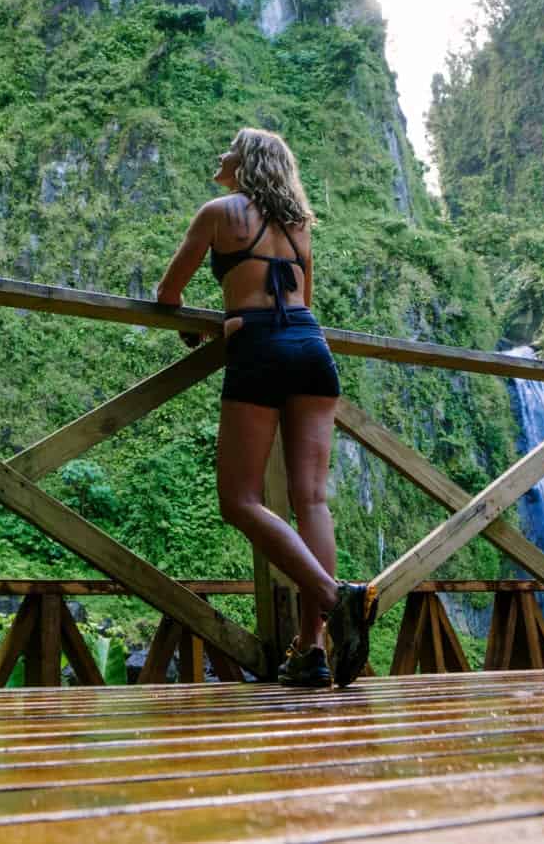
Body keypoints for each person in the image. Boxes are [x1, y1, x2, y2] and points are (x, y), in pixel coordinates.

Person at [155, 127, 377, 687]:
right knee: (312, 500)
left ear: (247, 160)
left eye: (228, 146)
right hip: (312, 349)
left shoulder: (218, 213)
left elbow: (167, 295)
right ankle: (312, 648)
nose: (220, 152)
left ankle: (334, 598)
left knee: (239, 500)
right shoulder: (300, 226)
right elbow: (304, 301)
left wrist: (214, 325)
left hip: (258, 349)